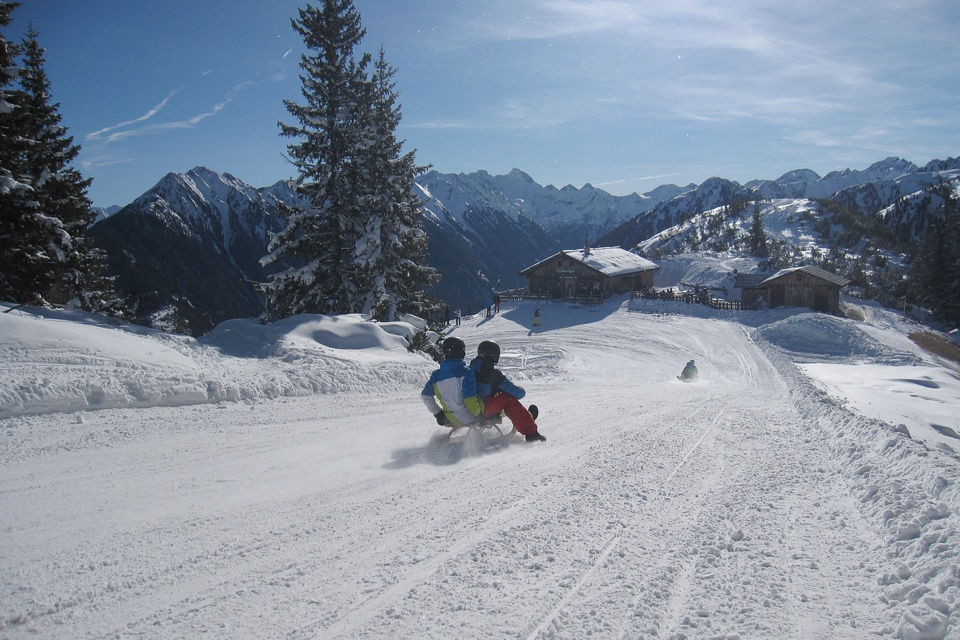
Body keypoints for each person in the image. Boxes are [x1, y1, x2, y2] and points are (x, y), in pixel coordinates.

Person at [469, 340, 546, 442]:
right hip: (485, 409)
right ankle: (531, 432)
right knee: (509, 399)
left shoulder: (469, 370)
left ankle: (527, 418)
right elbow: (519, 393)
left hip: (470, 406)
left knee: (502, 397)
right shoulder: (493, 374)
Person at [421, 337, 483, 427]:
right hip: (467, 417)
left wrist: (439, 414)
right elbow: (469, 398)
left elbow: (425, 396)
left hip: (449, 417)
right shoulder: (466, 373)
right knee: (483, 399)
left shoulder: (436, 376)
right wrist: (478, 416)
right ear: (461, 352)